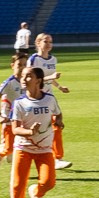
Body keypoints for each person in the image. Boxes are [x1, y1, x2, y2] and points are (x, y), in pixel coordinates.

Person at [7, 65, 59, 198]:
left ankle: (36, 193)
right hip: (23, 147)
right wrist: (30, 131)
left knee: (49, 182)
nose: (24, 79)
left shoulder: (50, 99)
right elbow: (15, 129)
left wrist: (59, 121)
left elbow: (57, 113)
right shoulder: (19, 103)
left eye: (28, 76)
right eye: (23, 75)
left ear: (38, 80)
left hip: (44, 148)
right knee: (18, 183)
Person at [27, 34, 71, 168]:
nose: (49, 44)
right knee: (33, 129)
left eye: (50, 42)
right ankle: (11, 149)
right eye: (46, 41)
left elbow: (49, 78)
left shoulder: (53, 59)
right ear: (38, 43)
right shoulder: (34, 59)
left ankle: (57, 158)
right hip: (35, 98)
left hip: (49, 98)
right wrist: (50, 77)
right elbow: (30, 79)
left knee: (57, 125)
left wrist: (59, 87)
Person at [0, 52, 27, 166]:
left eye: (25, 65)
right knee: (9, 148)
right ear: (12, 66)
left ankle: (18, 165)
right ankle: (1, 151)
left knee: (24, 145)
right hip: (8, 119)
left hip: (22, 119)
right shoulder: (9, 82)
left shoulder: (28, 81)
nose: (22, 68)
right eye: (19, 65)